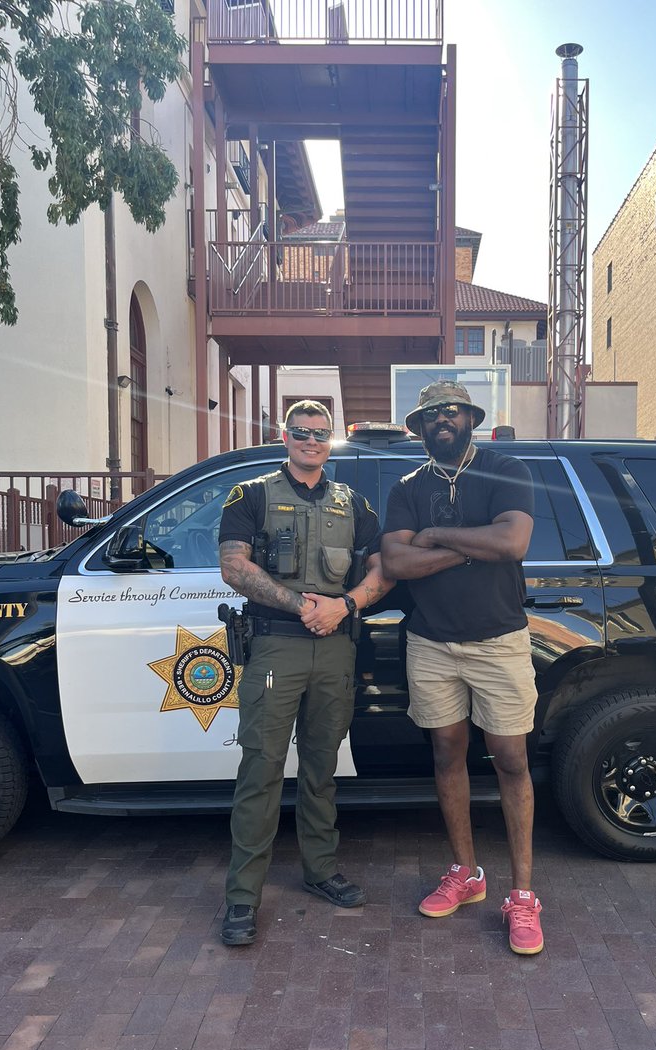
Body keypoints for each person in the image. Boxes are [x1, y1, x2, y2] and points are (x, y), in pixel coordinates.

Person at [217, 400, 392, 946]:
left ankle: (320, 870)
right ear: (283, 435)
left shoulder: (354, 504)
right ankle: (243, 897)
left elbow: (384, 565)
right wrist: (301, 606)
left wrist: (348, 605)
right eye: (301, 432)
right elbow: (234, 566)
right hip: (276, 648)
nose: (311, 440)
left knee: (322, 767)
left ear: (331, 439)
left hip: (336, 649)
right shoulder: (252, 495)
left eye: (320, 433)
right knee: (262, 769)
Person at [381, 381, 542, 955]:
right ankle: (466, 874)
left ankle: (522, 896)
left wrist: (440, 537)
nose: (441, 421)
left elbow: (514, 542)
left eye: (451, 412)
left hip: (499, 641)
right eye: (430, 416)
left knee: (510, 758)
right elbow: (396, 560)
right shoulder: (406, 487)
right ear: (418, 427)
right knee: (447, 753)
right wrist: (477, 545)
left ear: (470, 419)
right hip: (432, 643)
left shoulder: (504, 469)